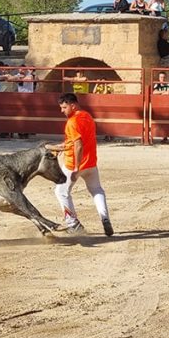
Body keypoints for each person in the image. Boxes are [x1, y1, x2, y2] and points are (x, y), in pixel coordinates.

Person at [47, 93, 113, 236]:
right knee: (97, 190)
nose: (62, 111)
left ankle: (73, 224)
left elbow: (78, 145)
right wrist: (62, 146)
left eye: (64, 107)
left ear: (73, 105)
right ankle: (105, 217)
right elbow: (76, 141)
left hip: (74, 164)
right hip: (91, 162)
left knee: (61, 192)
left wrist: (76, 166)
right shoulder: (87, 116)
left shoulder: (72, 122)